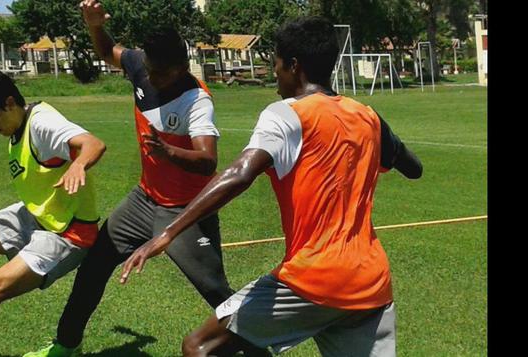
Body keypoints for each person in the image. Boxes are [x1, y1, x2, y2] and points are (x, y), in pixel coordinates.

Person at [121, 16, 423, 357]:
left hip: (314, 279)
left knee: (199, 346)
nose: (273, 73)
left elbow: (239, 173)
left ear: (295, 67)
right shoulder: (367, 116)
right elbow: (413, 168)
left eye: (276, 64)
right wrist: (386, 141)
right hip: (371, 285)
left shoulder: (287, 114)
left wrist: (167, 232)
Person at [22, 1, 256, 356]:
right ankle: (65, 345)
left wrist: (169, 152)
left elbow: (208, 162)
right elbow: (106, 51)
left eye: (161, 73)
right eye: (150, 69)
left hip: (185, 210)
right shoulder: (140, 66)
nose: (152, 78)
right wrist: (95, 25)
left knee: (216, 292)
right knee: (94, 267)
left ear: (180, 68)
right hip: (143, 201)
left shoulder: (196, 100)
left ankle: (256, 348)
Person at [0, 68, 106, 344]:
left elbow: (93, 144)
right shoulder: (18, 124)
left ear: (10, 103)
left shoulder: (42, 123)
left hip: (66, 233)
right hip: (36, 216)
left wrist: (78, 165)